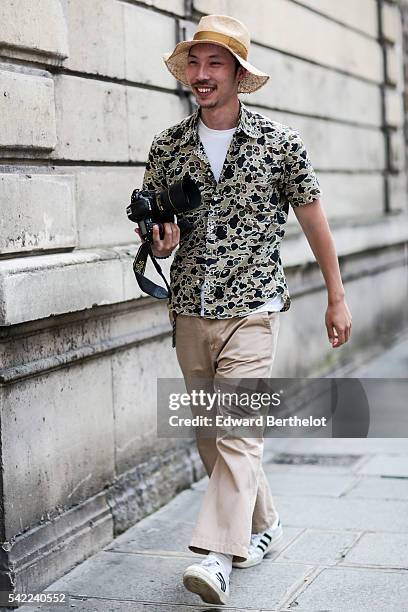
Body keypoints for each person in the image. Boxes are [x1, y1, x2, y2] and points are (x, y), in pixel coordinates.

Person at [138, 14, 352, 606]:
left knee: (237, 429)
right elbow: (161, 228)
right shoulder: (166, 147)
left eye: (214, 65)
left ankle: (217, 557)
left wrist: (336, 294)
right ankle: (264, 525)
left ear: (237, 73)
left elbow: (314, 221)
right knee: (213, 435)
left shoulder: (278, 144)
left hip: (254, 306)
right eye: (194, 64)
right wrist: (160, 243)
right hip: (189, 308)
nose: (200, 76)